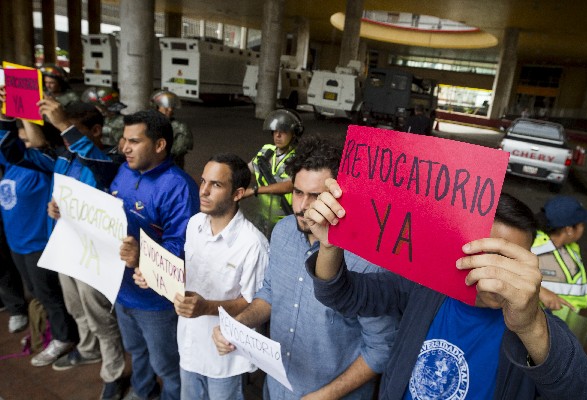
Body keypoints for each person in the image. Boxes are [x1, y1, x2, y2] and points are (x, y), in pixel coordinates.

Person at [303, 183, 587, 399]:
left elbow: (586, 390)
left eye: (508, 260)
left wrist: (532, 325)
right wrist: (330, 245)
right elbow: (340, 294)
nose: (493, 273)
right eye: (485, 254)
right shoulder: (424, 288)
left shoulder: (535, 331)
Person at [213, 136, 397, 399]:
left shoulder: (368, 262)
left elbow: (381, 349)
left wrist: (322, 397)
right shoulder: (283, 231)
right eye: (298, 192)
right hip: (276, 390)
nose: (302, 207)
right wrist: (238, 326)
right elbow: (270, 294)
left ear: (339, 195)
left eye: (316, 196)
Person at [0, 95, 126, 399]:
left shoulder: (111, 158)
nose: (67, 139)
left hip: (95, 255)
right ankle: (87, 349)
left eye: (75, 131)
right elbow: (14, 154)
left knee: (99, 315)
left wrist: (65, 125)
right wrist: (9, 116)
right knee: (75, 307)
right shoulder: (63, 157)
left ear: (96, 130)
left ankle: (114, 373)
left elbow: (99, 169)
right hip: (68, 248)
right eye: (65, 134)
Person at [135, 153, 269, 399]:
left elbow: (253, 303)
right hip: (189, 343)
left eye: (216, 185)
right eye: (203, 181)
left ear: (238, 193)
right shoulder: (194, 224)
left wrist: (206, 307)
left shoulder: (253, 244)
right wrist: (154, 277)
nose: (203, 191)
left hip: (225, 356)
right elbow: (188, 275)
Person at [113, 109, 200, 400]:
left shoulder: (178, 187)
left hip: (155, 303)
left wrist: (143, 257)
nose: (124, 148)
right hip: (121, 289)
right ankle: (143, 391)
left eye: (134, 141)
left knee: (167, 365)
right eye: (125, 140)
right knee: (136, 351)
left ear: (160, 145)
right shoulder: (125, 170)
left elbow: (180, 250)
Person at [0, 113, 78, 348]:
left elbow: (39, 145)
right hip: (16, 244)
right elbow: (6, 142)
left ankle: (64, 338)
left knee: (50, 296)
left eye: (26, 141)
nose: (24, 146)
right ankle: (49, 330)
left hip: (39, 244)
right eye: (19, 141)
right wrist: (5, 117)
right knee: (35, 291)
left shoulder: (42, 167)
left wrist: (25, 118)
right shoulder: (12, 163)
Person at [533, 196, 587, 312]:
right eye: (582, 225)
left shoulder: (572, 247)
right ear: (569, 230)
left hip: (563, 319)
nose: (583, 228)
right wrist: (539, 291)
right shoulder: (533, 245)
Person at [245, 108, 303, 238]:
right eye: (275, 131)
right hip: (263, 216)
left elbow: (290, 185)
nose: (277, 135)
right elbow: (247, 169)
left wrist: (255, 190)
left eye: (283, 132)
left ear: (294, 134)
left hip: (286, 219)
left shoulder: (298, 158)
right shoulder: (266, 152)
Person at [150, 90, 193, 169]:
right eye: (166, 107)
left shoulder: (180, 127)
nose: (170, 110)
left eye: (172, 107)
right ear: (156, 107)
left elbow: (179, 150)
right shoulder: (148, 125)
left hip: (171, 168)